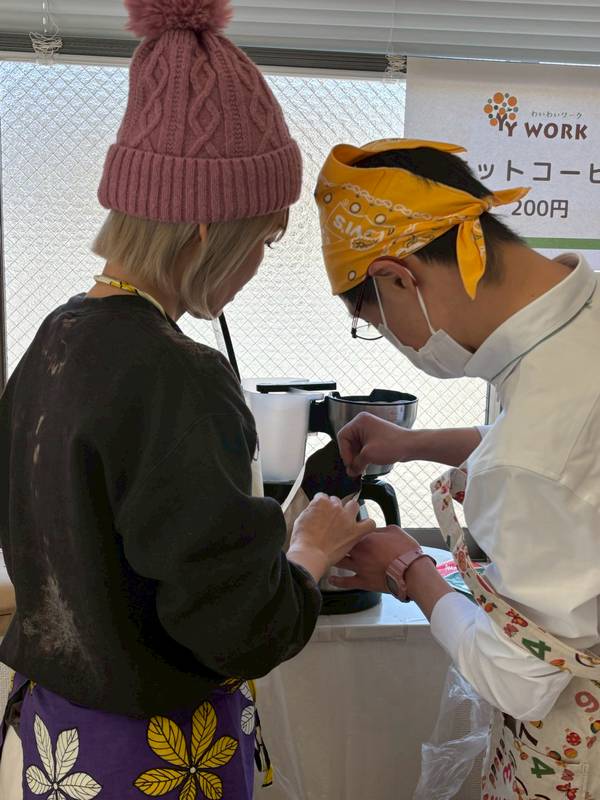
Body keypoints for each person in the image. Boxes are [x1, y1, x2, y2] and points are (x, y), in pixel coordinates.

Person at [0, 2, 375, 798]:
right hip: (158, 756)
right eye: (263, 240)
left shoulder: (55, 340)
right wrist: (311, 550)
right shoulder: (178, 374)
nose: (260, 263)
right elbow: (241, 630)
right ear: (208, 232)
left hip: (57, 743)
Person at [315, 138, 600, 799]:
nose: (396, 341)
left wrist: (407, 567)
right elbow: (575, 467)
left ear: (398, 277)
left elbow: (518, 679)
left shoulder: (533, 451)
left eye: (376, 322)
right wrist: (414, 443)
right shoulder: (578, 326)